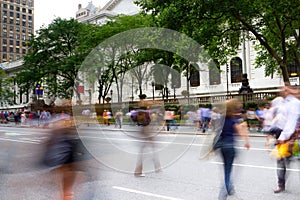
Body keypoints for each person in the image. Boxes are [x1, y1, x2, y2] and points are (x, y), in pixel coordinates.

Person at [216, 98, 250, 200]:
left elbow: (217, 131)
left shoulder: (221, 119)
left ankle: (230, 188)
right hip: (230, 146)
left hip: (222, 147)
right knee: (228, 171)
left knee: (226, 169)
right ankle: (223, 194)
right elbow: (240, 132)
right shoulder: (233, 120)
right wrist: (246, 141)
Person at [273, 85, 300, 193]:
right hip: (285, 135)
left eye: (285, 90)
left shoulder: (294, 103)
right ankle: (281, 184)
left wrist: (283, 137)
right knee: (280, 161)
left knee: (293, 159)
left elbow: (291, 122)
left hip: (293, 137)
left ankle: (281, 185)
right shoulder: (283, 103)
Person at [134, 108, 161, 177]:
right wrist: (151, 139)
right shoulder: (147, 121)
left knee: (145, 156)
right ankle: (138, 172)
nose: (155, 116)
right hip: (144, 141)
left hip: (145, 141)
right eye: (154, 114)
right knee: (143, 156)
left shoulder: (148, 120)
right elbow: (146, 131)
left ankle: (156, 166)